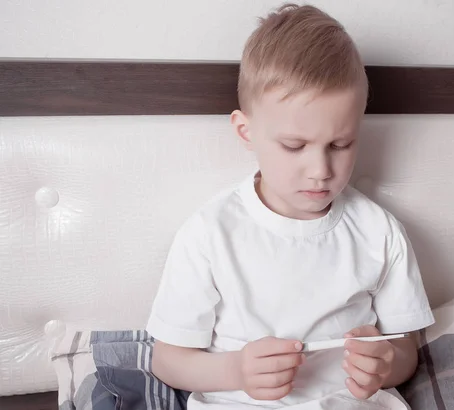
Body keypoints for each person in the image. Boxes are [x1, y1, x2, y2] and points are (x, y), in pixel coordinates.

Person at [146, 3, 434, 409]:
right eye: (294, 146)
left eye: (340, 144)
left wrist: (386, 365)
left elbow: (405, 352)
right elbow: (167, 360)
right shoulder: (210, 234)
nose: (320, 170)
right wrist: (238, 372)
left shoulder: (379, 232)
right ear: (246, 131)